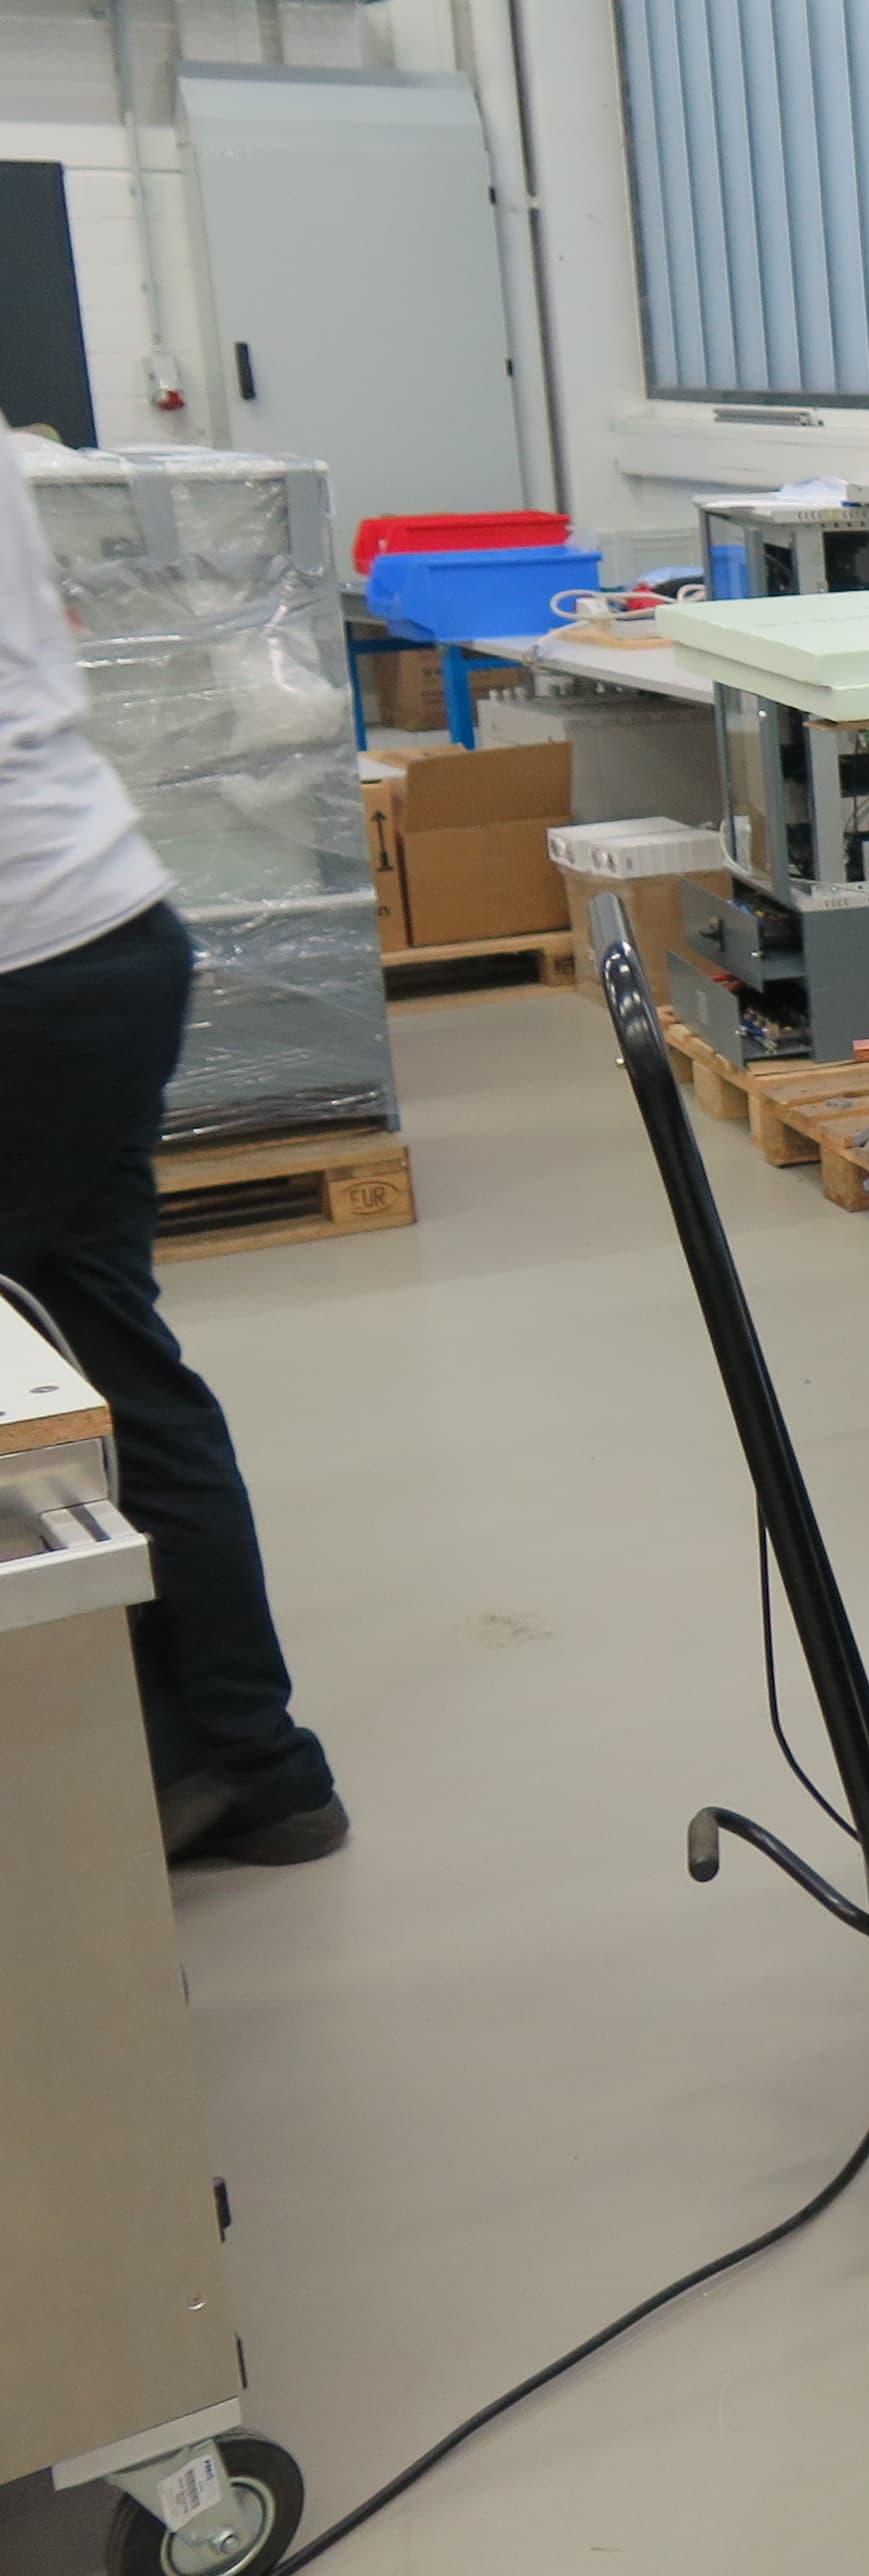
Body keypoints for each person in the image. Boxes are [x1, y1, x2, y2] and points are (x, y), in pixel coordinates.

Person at [0, 444, 345, 1863]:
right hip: (90, 937)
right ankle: (224, 1758)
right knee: (99, 1349)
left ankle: (226, 1760)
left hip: (28, 968)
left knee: (83, 1369)